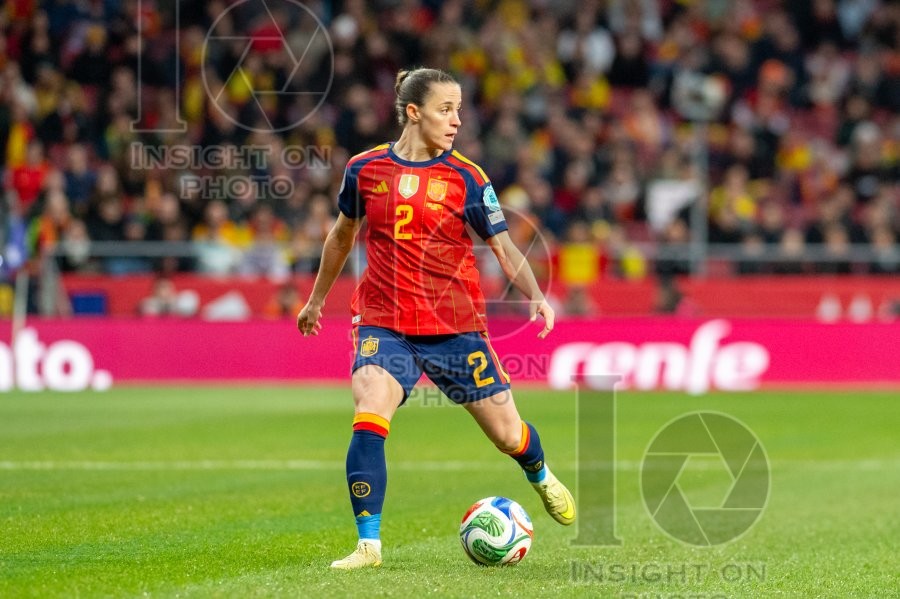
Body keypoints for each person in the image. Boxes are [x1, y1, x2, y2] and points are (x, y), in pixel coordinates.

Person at [296, 67, 575, 569]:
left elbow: (503, 246)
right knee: (370, 407)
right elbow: (341, 236)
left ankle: (539, 472)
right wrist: (316, 300)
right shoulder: (364, 169)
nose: (456, 120)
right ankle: (368, 545)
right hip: (384, 319)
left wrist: (535, 294)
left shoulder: (468, 177)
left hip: (454, 326)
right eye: (446, 110)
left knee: (507, 435)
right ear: (413, 112)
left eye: (459, 110)